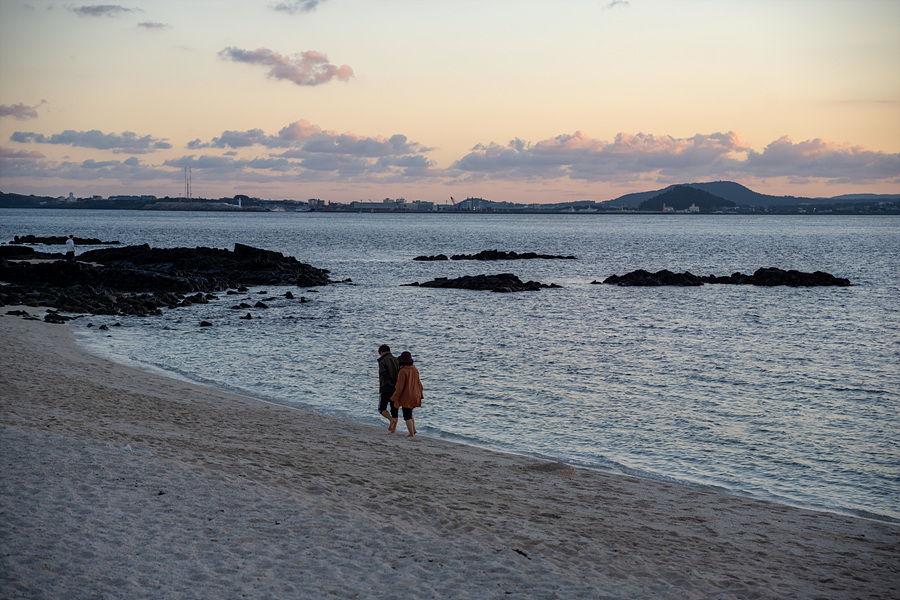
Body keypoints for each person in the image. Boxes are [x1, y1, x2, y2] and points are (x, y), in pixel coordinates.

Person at [390, 351, 423, 437]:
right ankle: (414, 430)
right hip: (415, 393)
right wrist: (421, 394)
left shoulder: (403, 371)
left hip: (407, 395)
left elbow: (400, 387)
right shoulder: (415, 369)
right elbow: (419, 383)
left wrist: (394, 397)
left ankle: (411, 433)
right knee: (410, 412)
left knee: (406, 415)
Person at [377, 344, 400, 433]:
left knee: (381, 408)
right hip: (396, 388)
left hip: (386, 387)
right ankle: (393, 431)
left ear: (382, 352)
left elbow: (384, 374)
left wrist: (388, 383)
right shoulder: (396, 360)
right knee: (394, 409)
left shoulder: (382, 360)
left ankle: (390, 419)